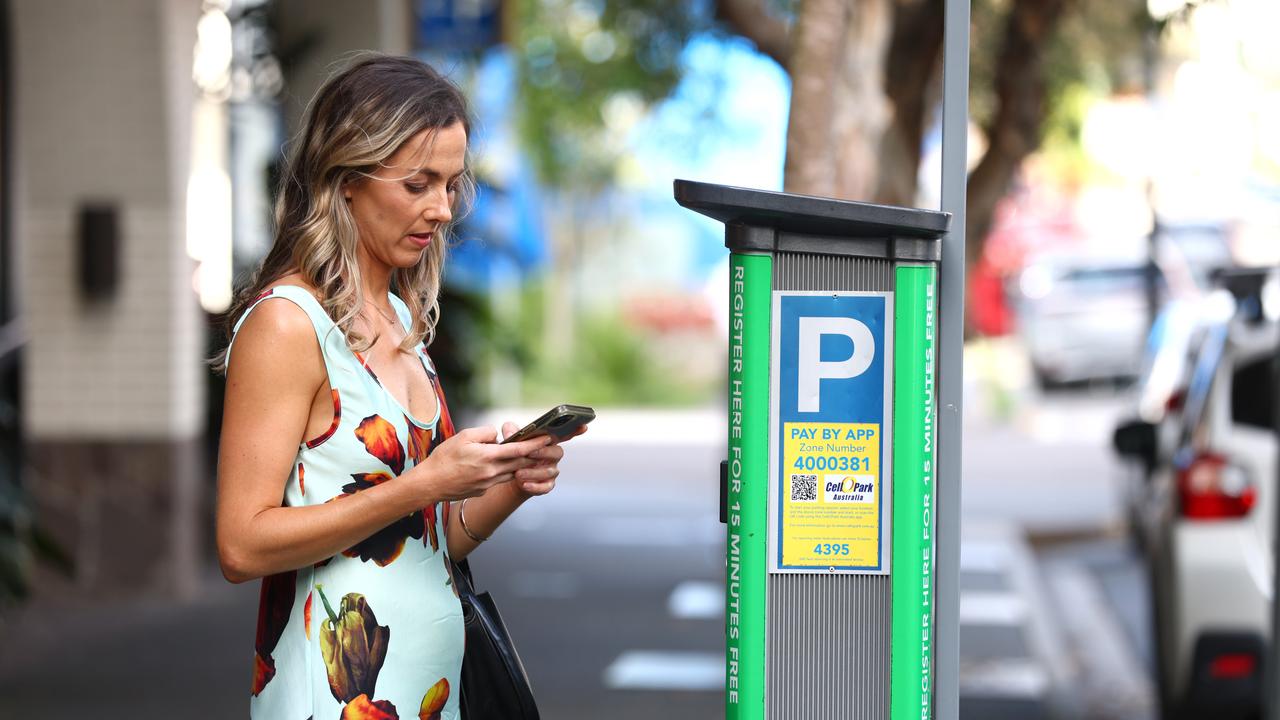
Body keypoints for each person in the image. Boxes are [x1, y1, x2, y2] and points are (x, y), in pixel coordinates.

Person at [213, 53, 579, 720]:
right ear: (347, 178)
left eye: (450, 184)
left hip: (428, 689)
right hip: (331, 697)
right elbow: (241, 545)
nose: (441, 210)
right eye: (417, 185)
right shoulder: (288, 326)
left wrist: (507, 483)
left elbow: (426, 539)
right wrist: (422, 483)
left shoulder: (400, 315)